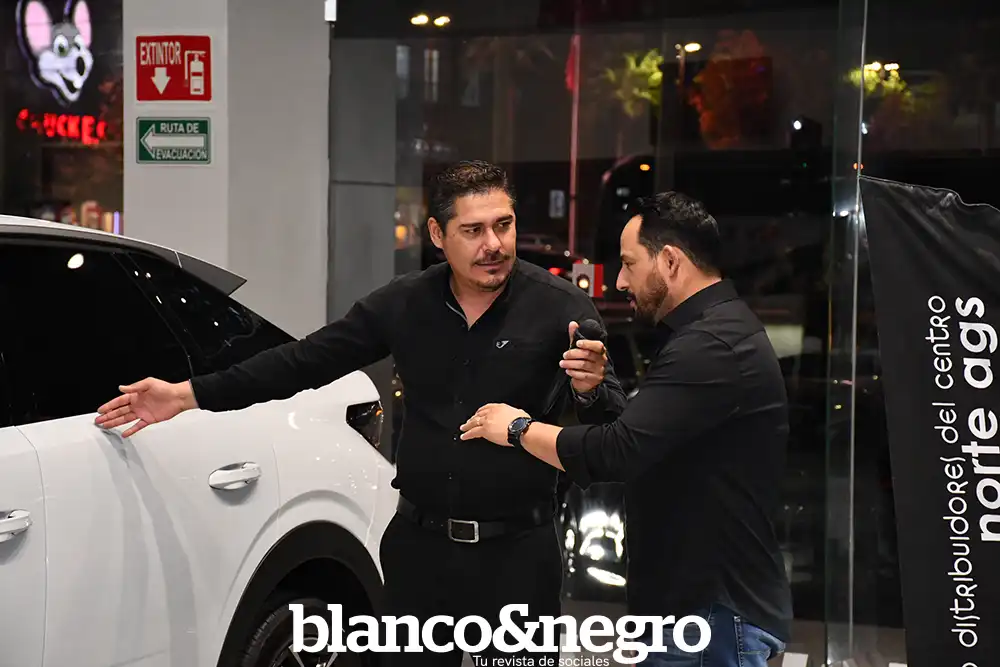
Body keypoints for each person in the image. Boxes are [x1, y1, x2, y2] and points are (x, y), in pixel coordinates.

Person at [94, 160, 627, 665]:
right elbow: (303, 362)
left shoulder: (560, 307)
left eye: (503, 225)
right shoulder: (404, 303)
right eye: (473, 230)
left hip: (519, 555)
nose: (494, 245)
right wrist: (186, 395)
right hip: (420, 552)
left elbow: (609, 427)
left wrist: (589, 389)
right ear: (438, 235)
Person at [458, 191, 792, 666]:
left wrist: (517, 429)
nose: (619, 281)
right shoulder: (714, 335)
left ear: (670, 261)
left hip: (710, 612)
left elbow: (618, 451)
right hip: (700, 608)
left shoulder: (712, 345)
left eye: (629, 264)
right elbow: (646, 441)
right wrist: (593, 389)